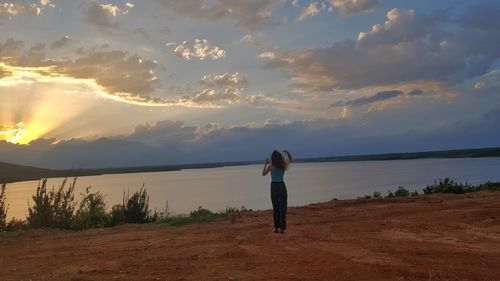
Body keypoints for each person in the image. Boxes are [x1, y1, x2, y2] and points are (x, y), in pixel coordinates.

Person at [262, 149, 293, 233]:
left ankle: (276, 227)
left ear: (272, 158)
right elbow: (290, 160)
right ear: (279, 157)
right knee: (282, 207)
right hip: (281, 186)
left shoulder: (271, 166)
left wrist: (265, 164)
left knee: (275, 207)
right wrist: (287, 153)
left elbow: (263, 173)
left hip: (274, 186)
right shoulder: (282, 165)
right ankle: (281, 228)